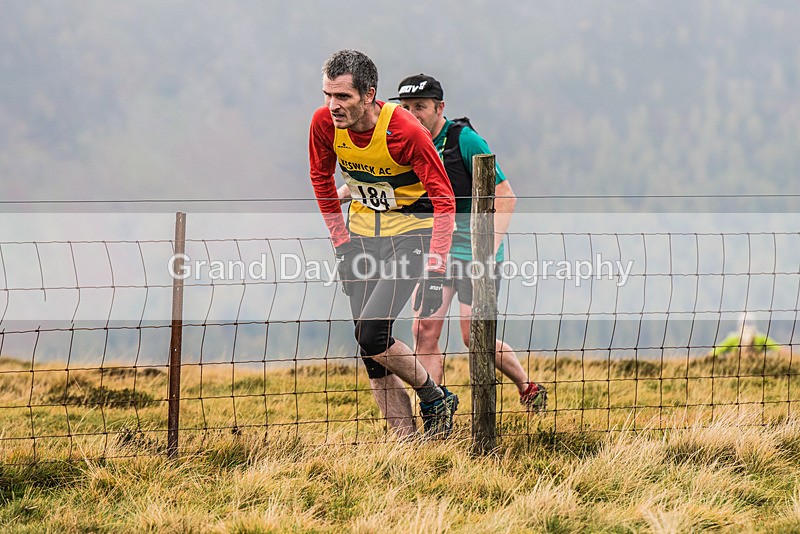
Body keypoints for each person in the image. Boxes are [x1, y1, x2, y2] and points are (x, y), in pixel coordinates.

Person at [308, 51, 458, 438]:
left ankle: (433, 395)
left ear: (369, 94)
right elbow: (321, 181)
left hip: (411, 237)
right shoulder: (325, 123)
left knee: (373, 334)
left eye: (343, 97)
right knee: (372, 354)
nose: (332, 106)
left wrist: (436, 267)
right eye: (327, 94)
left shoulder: (404, 131)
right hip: (360, 239)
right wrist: (341, 243)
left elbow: (444, 200)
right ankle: (404, 447)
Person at [393, 74, 547, 412]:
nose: (412, 114)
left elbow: (506, 197)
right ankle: (436, 411)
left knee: (474, 338)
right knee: (424, 331)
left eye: (420, 107)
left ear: (439, 107)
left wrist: (487, 251)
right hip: (436, 250)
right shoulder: (405, 142)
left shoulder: (465, 141)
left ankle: (528, 387)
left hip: (477, 252)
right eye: (405, 108)